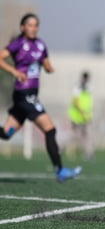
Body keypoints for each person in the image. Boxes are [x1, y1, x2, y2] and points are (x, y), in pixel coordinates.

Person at [0, 13, 81, 182]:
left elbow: (45, 64)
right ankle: (60, 170)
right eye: (29, 25)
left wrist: (49, 67)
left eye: (35, 25)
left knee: (6, 133)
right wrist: (14, 71)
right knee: (50, 129)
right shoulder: (18, 44)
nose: (33, 28)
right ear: (23, 27)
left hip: (29, 96)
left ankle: (60, 170)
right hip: (24, 95)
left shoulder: (40, 44)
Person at [67, 71, 94, 161]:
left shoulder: (88, 88)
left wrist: (86, 113)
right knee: (75, 136)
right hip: (77, 116)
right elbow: (75, 101)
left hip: (86, 116)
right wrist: (82, 112)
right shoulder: (77, 87)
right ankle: (68, 151)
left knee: (88, 135)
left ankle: (88, 153)